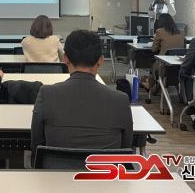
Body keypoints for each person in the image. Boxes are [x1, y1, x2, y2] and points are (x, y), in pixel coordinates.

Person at [30, 30, 133, 159]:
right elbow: (126, 149)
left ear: (65, 59)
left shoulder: (46, 94)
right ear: (101, 60)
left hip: (55, 170)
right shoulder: (121, 100)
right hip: (105, 171)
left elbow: (36, 145)